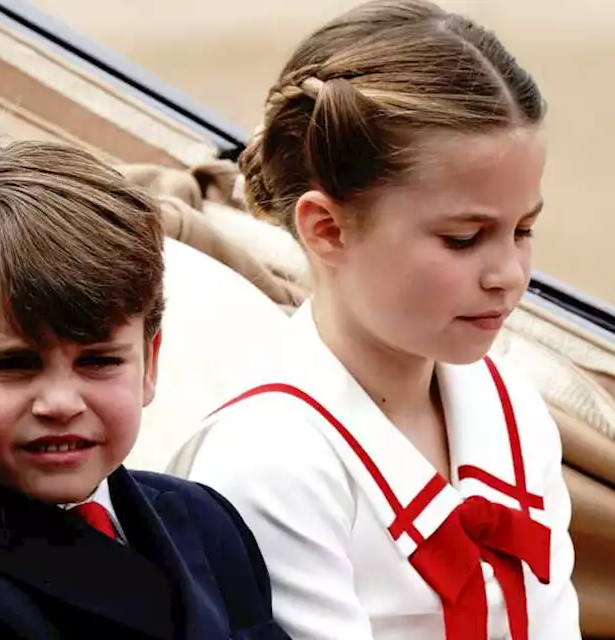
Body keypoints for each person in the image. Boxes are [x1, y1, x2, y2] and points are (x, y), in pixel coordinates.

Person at [185, 1, 582, 638]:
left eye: (523, 229)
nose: (507, 272)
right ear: (327, 229)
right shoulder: (266, 461)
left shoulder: (514, 410)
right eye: (463, 238)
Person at [0, 140, 288, 639]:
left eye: (98, 361)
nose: (61, 403)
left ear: (148, 363)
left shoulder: (204, 520)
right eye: (13, 365)